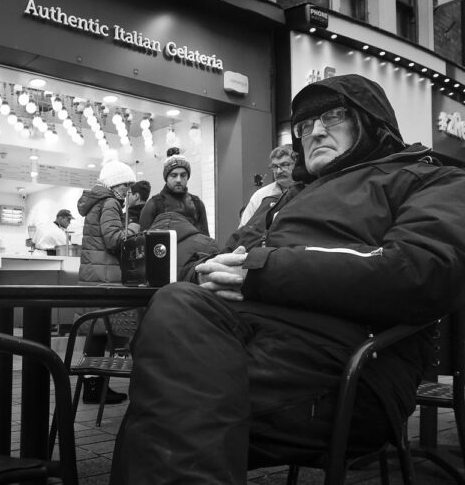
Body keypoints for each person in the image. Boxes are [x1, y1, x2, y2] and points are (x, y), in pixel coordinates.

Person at [109, 74, 465, 484]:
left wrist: (263, 269)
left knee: (164, 396)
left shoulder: (431, 179)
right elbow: (228, 255)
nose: (314, 131)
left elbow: (423, 270)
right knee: (168, 375)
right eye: (303, 125)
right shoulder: (284, 200)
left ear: (372, 121)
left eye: (333, 116)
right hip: (243, 345)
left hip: (347, 370)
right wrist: (204, 270)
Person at [77, 153, 140, 404]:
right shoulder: (110, 203)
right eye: (125, 184)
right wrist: (134, 228)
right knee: (101, 333)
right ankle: (94, 389)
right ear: (114, 184)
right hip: (104, 276)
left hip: (95, 274)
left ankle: (94, 387)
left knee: (97, 332)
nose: (128, 190)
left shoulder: (96, 202)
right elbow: (114, 239)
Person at [138, 147, 209, 234]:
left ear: (187, 177)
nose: (178, 180)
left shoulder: (197, 203)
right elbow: (143, 241)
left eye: (183, 175)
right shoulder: (153, 204)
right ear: (166, 178)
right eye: (174, 175)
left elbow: (205, 238)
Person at [238, 144, 297, 227]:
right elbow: (243, 230)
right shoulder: (260, 196)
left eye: (284, 165)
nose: (279, 171)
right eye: (275, 166)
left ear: (297, 164)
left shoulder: (309, 190)